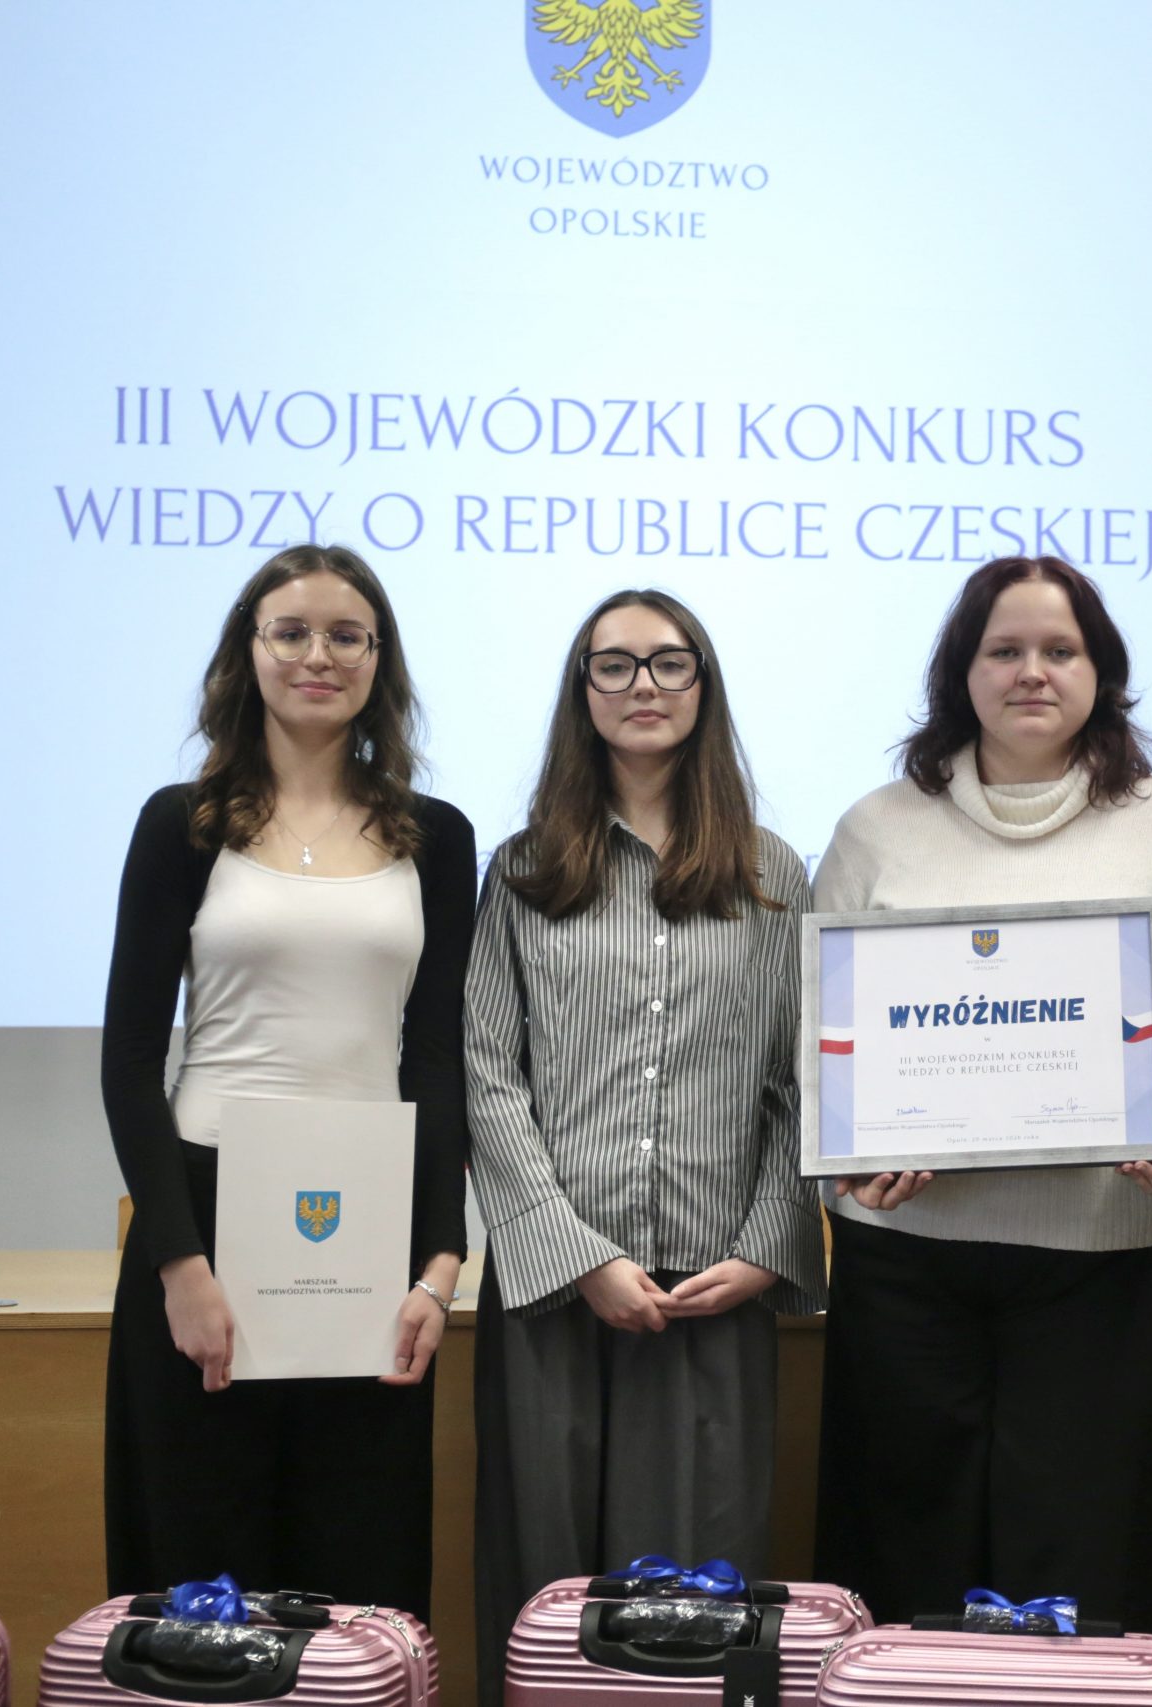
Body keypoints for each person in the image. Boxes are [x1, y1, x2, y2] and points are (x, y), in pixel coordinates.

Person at [809, 555, 1152, 1642]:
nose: (1032, 672)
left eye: (1060, 650)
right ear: (959, 672)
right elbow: (819, 1027)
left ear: (1100, 670)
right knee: (904, 1557)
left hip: (1103, 1265)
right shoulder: (876, 828)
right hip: (906, 1259)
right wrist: (855, 1149)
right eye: (1004, 650)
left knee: (1088, 1562)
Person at [100, 543, 475, 1616]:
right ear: (248, 652)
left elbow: (434, 1056)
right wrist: (180, 1264)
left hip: (372, 1227)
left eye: (347, 635)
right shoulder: (181, 823)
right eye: (292, 632)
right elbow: (129, 1060)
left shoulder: (438, 838)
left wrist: (439, 1260)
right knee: (201, 1568)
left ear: (379, 659)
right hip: (204, 1219)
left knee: (357, 1569)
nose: (320, 655)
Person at [465, 589, 824, 1705]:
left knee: (691, 1617)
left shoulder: (773, 875)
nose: (642, 686)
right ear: (582, 693)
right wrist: (577, 1254)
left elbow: (801, 1087)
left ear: (703, 685)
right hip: (553, 1292)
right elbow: (487, 1071)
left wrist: (766, 1246)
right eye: (612, 665)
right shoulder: (523, 870)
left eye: (669, 663)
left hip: (711, 1294)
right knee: (547, 1595)